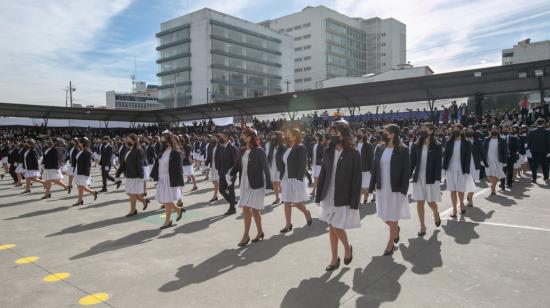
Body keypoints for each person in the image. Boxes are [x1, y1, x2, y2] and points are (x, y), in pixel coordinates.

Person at [315, 120, 361, 270]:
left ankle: (347, 248)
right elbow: (323, 174)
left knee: (336, 226)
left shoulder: (353, 153)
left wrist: (355, 201)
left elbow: (356, 179)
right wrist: (318, 194)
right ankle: (334, 259)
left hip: (343, 196)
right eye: (331, 132)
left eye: (336, 132)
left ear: (344, 134)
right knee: (331, 226)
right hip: (328, 194)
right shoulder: (328, 150)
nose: (332, 134)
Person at [369, 124, 410, 256]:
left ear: (393, 134)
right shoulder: (379, 147)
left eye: (385, 132)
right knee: (383, 215)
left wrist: (404, 190)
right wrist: (373, 183)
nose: (383, 134)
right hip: (382, 187)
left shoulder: (403, 150)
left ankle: (390, 244)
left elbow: (406, 171)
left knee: (392, 216)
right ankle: (395, 230)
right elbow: (375, 167)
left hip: (395, 188)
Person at [233, 128, 272, 247]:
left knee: (246, 208)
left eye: (243, 135)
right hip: (244, 183)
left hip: (256, 184)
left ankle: (246, 236)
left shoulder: (259, 151)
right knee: (254, 210)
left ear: (249, 137)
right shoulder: (242, 150)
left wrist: (269, 185)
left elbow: (266, 168)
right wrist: (230, 174)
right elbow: (237, 166)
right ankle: (260, 232)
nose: (241, 137)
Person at [410, 123, 442, 236]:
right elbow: (412, 162)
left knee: (430, 202)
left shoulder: (437, 145)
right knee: (419, 201)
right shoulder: (416, 145)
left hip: (431, 178)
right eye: (422, 129)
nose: (422, 131)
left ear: (431, 131)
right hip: (419, 177)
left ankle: (436, 213)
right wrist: (407, 175)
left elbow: (438, 164)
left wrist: (438, 180)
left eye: (425, 129)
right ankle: (422, 226)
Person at [279, 128, 313, 233]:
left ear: (294, 136)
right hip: (286, 178)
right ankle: (288, 224)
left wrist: (299, 179)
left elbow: (303, 164)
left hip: (296, 178)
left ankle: (306, 213)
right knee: (286, 201)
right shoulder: (286, 147)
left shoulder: (300, 147)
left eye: (288, 134)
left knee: (297, 202)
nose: (286, 136)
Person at [150, 131, 184, 229]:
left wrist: (179, 181)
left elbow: (179, 168)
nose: (161, 140)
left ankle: (167, 221)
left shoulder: (175, 151)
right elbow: (158, 164)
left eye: (163, 138)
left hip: (170, 179)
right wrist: (153, 175)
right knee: (165, 200)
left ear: (169, 139)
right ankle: (178, 210)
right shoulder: (163, 151)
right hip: (162, 178)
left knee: (167, 200)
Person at [442, 123, 474, 217]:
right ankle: (454, 210)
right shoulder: (449, 142)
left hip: (461, 170)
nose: (454, 131)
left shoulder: (467, 143)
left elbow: (468, 158)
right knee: (452, 190)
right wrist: (444, 168)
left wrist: (467, 171)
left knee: (460, 189)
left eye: (456, 129)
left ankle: (461, 204)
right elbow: (446, 156)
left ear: (461, 131)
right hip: (450, 169)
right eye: (453, 129)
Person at [121, 134, 150, 217]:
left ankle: (133, 210)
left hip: (135, 175)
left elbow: (139, 164)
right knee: (130, 193)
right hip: (129, 174)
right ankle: (144, 201)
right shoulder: (128, 149)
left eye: (129, 140)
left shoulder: (139, 149)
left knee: (131, 193)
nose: (127, 141)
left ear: (134, 141)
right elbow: (125, 162)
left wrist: (141, 176)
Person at [72, 138, 99, 206]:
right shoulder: (81, 150)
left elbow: (88, 164)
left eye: (79, 142)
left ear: (82, 143)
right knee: (80, 185)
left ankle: (80, 200)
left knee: (80, 186)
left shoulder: (87, 152)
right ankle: (93, 192)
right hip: (78, 170)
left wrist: (87, 173)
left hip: (82, 171)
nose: (78, 143)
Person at [218, 131, 239, 215]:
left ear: (227, 137)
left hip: (230, 174)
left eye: (222, 137)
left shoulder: (233, 148)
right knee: (221, 190)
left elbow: (236, 163)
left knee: (231, 191)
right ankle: (232, 202)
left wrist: (231, 173)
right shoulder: (222, 147)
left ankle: (232, 209)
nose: (220, 138)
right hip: (223, 173)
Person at [527, 118, 550, 183]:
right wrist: (549, 151)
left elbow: (529, 142)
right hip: (544, 151)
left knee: (534, 165)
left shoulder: (531, 131)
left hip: (534, 150)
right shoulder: (547, 131)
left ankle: (534, 178)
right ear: (543, 123)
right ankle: (545, 177)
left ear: (536, 123)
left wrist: (528, 149)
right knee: (544, 165)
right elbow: (548, 142)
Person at [267, 131, 285, 205]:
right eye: (272, 135)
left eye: (274, 135)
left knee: (279, 182)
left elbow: (284, 157)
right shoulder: (272, 145)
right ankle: (277, 198)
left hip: (279, 166)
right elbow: (269, 155)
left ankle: (284, 197)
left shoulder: (283, 146)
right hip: (273, 166)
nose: (272, 136)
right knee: (274, 182)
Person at [356, 128, 374, 204]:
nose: (358, 134)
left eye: (360, 133)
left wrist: (371, 170)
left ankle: (366, 196)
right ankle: (358, 202)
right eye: (357, 132)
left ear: (364, 134)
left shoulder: (368, 145)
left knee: (365, 188)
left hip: (366, 169)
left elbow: (371, 158)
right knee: (359, 186)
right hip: (357, 169)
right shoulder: (354, 144)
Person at [500, 125, 520, 189]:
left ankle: (509, 183)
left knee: (510, 170)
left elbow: (516, 148)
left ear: (509, 130)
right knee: (503, 170)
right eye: (504, 130)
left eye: (507, 130)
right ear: (502, 130)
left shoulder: (513, 138)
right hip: (502, 157)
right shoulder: (499, 138)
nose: (505, 131)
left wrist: (511, 153)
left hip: (510, 157)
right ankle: (502, 184)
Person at [204, 135, 219, 202]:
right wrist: (206, 163)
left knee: (215, 181)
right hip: (213, 166)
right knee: (214, 181)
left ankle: (215, 196)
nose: (211, 140)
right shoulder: (211, 147)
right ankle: (216, 194)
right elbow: (210, 156)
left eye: (214, 139)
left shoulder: (220, 147)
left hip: (218, 167)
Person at [309, 132, 324, 196]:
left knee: (316, 178)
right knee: (315, 178)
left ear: (319, 137)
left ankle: (313, 191)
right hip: (313, 163)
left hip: (318, 163)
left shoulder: (321, 145)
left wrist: (321, 159)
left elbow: (322, 154)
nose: (315, 136)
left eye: (316, 135)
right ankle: (316, 191)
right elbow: (310, 153)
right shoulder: (313, 144)